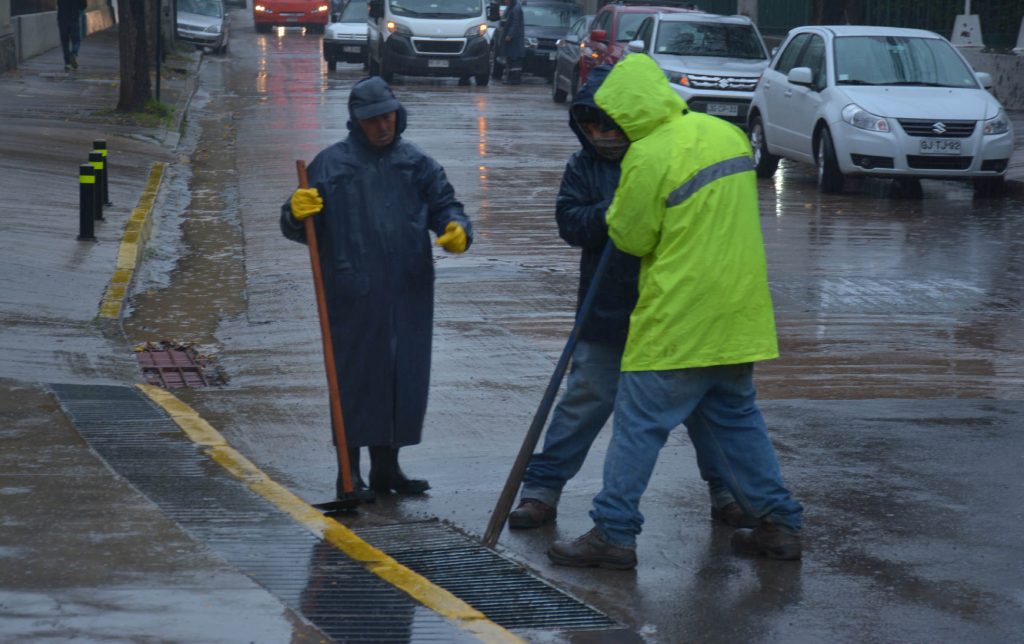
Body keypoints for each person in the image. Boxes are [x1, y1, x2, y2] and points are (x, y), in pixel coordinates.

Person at [547, 54, 803, 569]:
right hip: (738, 315)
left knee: (638, 427)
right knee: (737, 422)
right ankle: (779, 524)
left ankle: (614, 532)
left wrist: (619, 210)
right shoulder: (727, 135)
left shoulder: (648, 155)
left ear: (627, 110)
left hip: (679, 320)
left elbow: (632, 237)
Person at [508, 65, 756, 532]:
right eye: (590, 127)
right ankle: (542, 490)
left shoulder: (665, 152)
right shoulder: (583, 167)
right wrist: (616, 210)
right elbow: (570, 223)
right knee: (585, 400)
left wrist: (638, 204)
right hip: (607, 307)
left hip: (671, 310)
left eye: (606, 124)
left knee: (705, 409)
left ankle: (728, 493)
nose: (600, 135)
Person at [280, 76, 472, 499]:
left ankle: (387, 469)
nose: (382, 126)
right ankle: (348, 476)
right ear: (357, 121)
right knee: (355, 379)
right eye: (372, 120)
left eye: (387, 117)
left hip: (408, 289)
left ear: (397, 114)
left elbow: (446, 206)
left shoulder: (417, 164)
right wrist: (295, 213)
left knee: (401, 377)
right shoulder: (331, 165)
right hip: (353, 292)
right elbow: (298, 227)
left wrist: (458, 228)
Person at [57, 0, 87, 70]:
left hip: (62, 19)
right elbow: (83, 6)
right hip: (74, 19)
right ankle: (73, 54)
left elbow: (58, 3)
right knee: (76, 40)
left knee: (65, 42)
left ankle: (67, 63)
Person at [500, 0, 524, 84]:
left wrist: (510, 35)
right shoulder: (511, 7)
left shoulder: (516, 8)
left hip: (515, 40)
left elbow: (515, 23)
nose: (504, 1)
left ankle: (514, 79)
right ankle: (511, 78)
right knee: (510, 58)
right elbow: (506, 20)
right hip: (512, 39)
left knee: (515, 59)